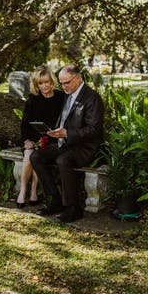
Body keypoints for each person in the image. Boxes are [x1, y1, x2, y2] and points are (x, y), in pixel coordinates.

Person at [30, 64, 104, 223]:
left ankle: (73, 208)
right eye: (61, 83)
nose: (63, 86)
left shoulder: (92, 98)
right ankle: (54, 200)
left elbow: (94, 130)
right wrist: (54, 132)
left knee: (63, 160)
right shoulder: (67, 94)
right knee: (36, 156)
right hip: (65, 143)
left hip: (85, 147)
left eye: (67, 82)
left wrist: (67, 133)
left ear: (78, 78)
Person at [16, 64, 64, 208]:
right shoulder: (33, 99)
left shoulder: (61, 97)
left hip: (53, 140)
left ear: (52, 82)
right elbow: (24, 123)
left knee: (39, 156)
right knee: (29, 155)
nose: (44, 86)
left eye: (46, 82)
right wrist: (26, 140)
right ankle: (24, 190)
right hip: (32, 139)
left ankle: (33, 191)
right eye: (40, 83)